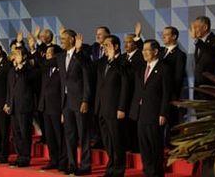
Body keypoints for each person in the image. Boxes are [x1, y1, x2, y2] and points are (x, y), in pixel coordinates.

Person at [129, 39, 170, 177]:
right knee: (144, 146)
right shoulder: (141, 68)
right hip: (140, 113)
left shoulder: (164, 69)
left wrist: (163, 113)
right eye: (143, 50)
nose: (144, 52)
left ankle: (156, 173)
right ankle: (147, 171)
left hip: (155, 114)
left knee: (155, 146)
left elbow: (166, 94)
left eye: (147, 50)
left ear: (156, 51)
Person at [57, 30, 91, 176]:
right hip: (66, 103)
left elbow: (87, 81)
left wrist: (85, 100)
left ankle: (85, 165)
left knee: (83, 135)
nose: (61, 41)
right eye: (60, 38)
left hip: (79, 102)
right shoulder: (60, 57)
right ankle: (72, 164)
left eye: (64, 39)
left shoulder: (82, 55)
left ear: (72, 39)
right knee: (69, 135)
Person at [95, 35, 129, 177]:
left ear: (116, 47)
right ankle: (111, 166)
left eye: (107, 45)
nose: (104, 48)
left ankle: (119, 169)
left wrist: (121, 108)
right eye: (103, 46)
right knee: (107, 141)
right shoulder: (103, 63)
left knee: (117, 141)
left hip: (115, 109)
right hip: (102, 109)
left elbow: (125, 87)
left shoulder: (123, 62)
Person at [4, 46, 38, 167]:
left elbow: (28, 79)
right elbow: (9, 88)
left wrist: (21, 65)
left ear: (24, 56)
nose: (15, 56)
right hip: (13, 106)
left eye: (17, 54)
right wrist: (7, 103)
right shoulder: (12, 70)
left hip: (25, 107)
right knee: (16, 133)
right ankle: (19, 156)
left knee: (25, 133)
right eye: (14, 53)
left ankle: (25, 157)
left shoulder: (29, 69)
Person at [36, 44, 68, 171]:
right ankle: (53, 160)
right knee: (49, 137)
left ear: (56, 55)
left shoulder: (62, 69)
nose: (47, 55)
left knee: (59, 136)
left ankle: (62, 161)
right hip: (45, 107)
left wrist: (62, 109)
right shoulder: (46, 69)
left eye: (49, 53)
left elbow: (63, 91)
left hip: (57, 108)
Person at [161, 26, 187, 143]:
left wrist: (172, 96)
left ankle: (173, 148)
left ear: (174, 36)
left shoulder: (180, 54)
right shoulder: (160, 52)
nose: (163, 36)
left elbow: (178, 77)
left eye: (166, 34)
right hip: (159, 94)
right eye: (163, 34)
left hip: (171, 95)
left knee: (172, 123)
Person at [190, 16, 215, 98]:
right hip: (198, 87)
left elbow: (210, 53)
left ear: (205, 27)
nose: (194, 30)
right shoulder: (199, 43)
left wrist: (196, 40)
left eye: (196, 27)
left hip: (210, 87)